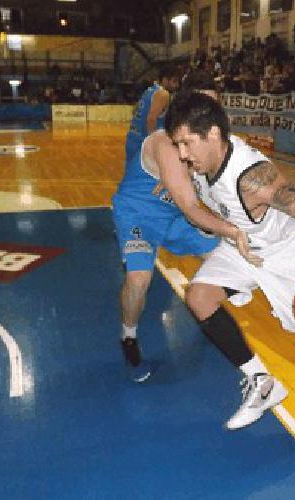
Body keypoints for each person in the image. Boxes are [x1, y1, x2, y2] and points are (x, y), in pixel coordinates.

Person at [162, 91, 295, 430]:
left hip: (284, 256)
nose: (182, 154)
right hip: (241, 248)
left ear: (214, 135)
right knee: (199, 296)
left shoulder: (254, 180)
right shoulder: (202, 159)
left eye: (187, 144)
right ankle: (261, 383)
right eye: (177, 145)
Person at [112, 67, 233, 383]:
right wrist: (231, 227)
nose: (210, 115)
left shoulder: (209, 137)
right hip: (139, 214)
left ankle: (206, 305)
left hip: (174, 215)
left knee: (227, 260)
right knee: (139, 279)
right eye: (204, 106)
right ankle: (128, 336)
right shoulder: (166, 141)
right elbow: (192, 205)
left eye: (215, 109)